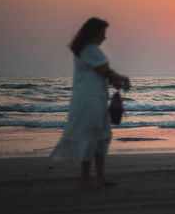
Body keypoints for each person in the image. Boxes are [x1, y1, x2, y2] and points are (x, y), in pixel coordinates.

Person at [51, 17, 130, 189]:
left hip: (94, 97)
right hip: (90, 99)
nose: (104, 38)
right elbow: (105, 71)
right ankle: (86, 180)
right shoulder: (90, 49)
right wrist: (123, 79)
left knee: (101, 136)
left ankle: (100, 177)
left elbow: (100, 74)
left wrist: (114, 80)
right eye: (102, 33)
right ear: (93, 33)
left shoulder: (85, 50)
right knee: (92, 136)